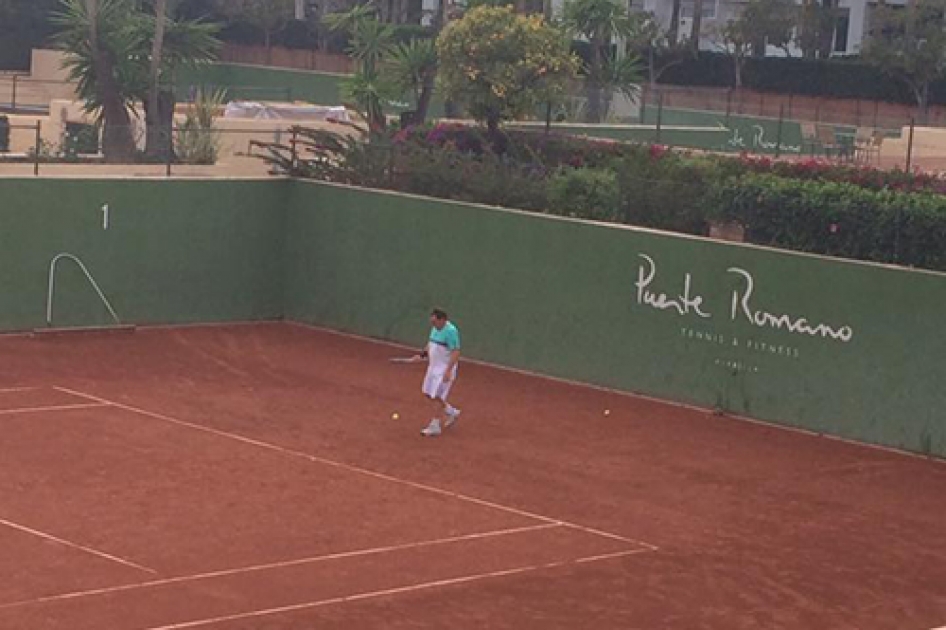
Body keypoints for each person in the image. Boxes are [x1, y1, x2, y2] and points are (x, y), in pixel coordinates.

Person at [418, 308, 462, 437]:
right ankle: (451, 411)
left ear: (442, 320)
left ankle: (435, 425)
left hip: (443, 369)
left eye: (435, 322)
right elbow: (431, 343)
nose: (433, 325)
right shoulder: (435, 328)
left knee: (437, 396)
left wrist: (448, 371)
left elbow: (456, 351)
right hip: (433, 367)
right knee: (427, 393)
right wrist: (423, 354)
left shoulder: (451, 331)